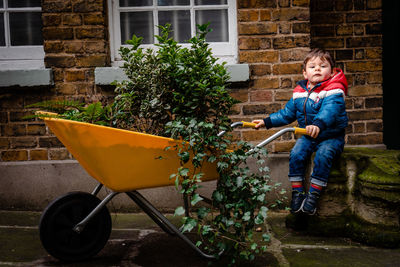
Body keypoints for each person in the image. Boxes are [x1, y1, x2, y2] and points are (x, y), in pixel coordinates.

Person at [252, 48, 348, 215]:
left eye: (323, 66)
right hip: (308, 135)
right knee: (296, 153)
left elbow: (330, 110)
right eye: (312, 67)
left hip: (330, 136)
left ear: (331, 72)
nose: (317, 69)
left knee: (324, 154)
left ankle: (313, 194)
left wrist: (318, 124)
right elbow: (287, 114)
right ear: (305, 73)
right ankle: (298, 192)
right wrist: (266, 121)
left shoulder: (334, 90)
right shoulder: (300, 93)